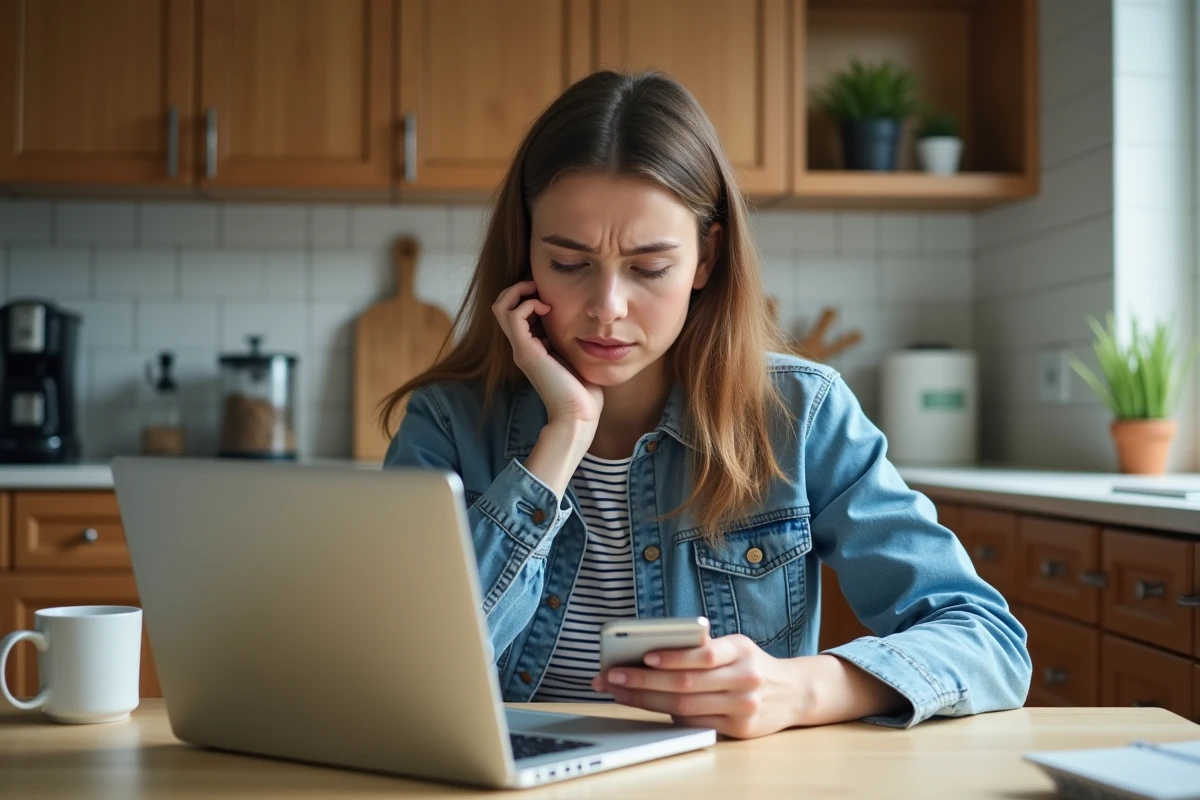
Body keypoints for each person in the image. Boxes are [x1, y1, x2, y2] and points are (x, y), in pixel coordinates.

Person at [383, 70, 1031, 740]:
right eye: (570, 263)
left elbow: (987, 641)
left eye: (649, 267)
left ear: (705, 257)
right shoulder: (446, 424)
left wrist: (803, 689)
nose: (607, 308)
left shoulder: (801, 414)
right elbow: (398, 673)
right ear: (526, 254)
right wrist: (564, 434)